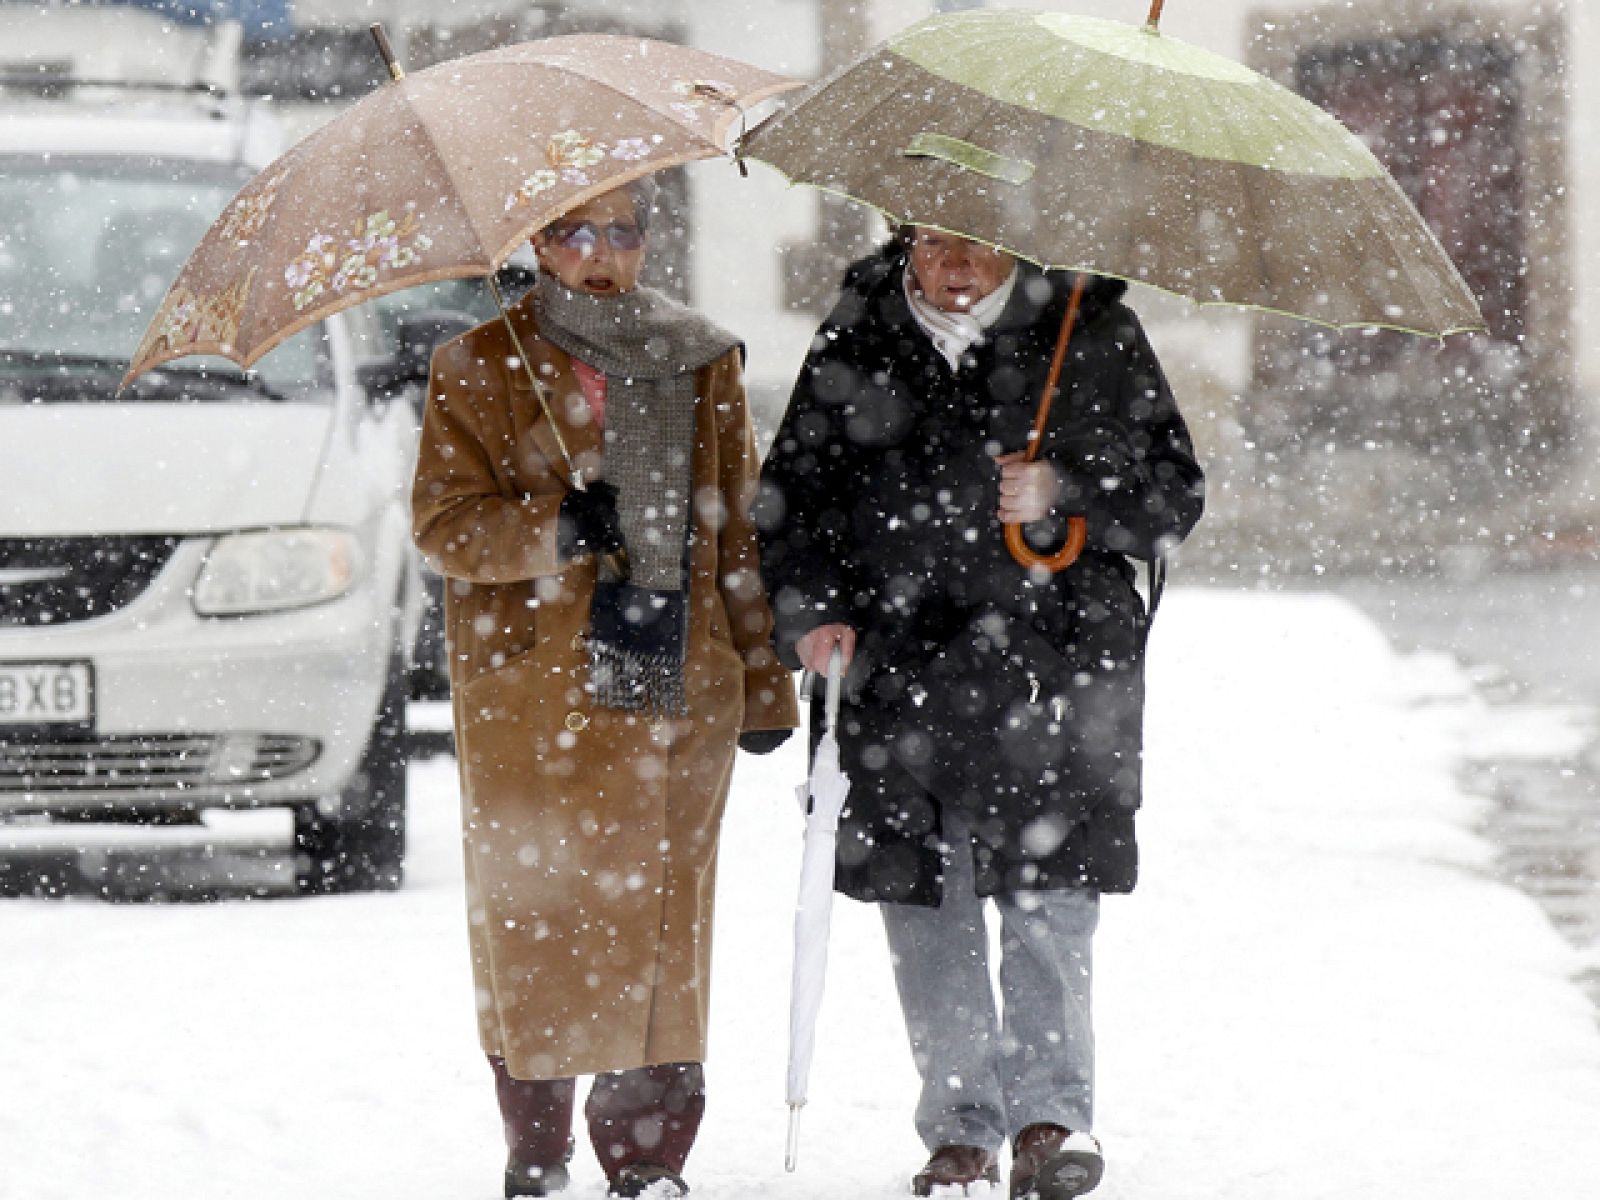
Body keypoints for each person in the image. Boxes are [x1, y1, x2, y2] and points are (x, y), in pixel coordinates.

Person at [756, 227, 1204, 1199]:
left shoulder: (1093, 332)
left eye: (977, 243)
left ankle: (1051, 1120)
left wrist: (1068, 490)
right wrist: (810, 612)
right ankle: (961, 1127)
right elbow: (792, 499)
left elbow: (1175, 496)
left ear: (1013, 246)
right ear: (903, 246)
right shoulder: (858, 334)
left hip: (1053, 668)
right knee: (927, 904)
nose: (954, 264)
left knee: (1048, 900)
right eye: (933, 244)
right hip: (894, 665)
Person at [412, 177, 799, 1200]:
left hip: (677, 684)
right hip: (533, 699)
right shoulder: (475, 363)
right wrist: (556, 528)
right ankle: (538, 1145)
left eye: (623, 231)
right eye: (576, 231)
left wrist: (762, 683)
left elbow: (736, 531)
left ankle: (646, 1152)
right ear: (537, 241)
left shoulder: (698, 355)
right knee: (537, 918)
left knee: (663, 923)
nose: (601, 252)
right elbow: (444, 526)